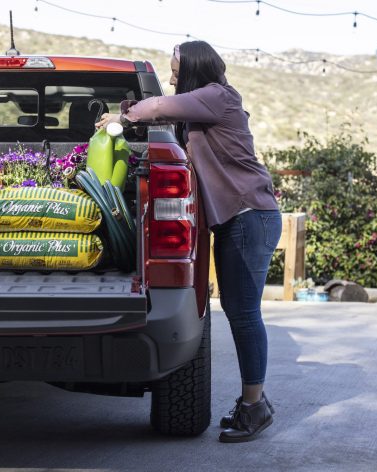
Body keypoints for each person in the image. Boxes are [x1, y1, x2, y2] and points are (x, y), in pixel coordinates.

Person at [96, 40, 281, 443]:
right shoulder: (204, 108)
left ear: (195, 67)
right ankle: (254, 402)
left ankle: (255, 406)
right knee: (237, 309)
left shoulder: (218, 97)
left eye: (176, 68)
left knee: (245, 313)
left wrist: (121, 115)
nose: (172, 75)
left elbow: (159, 106)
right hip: (238, 219)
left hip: (251, 216)